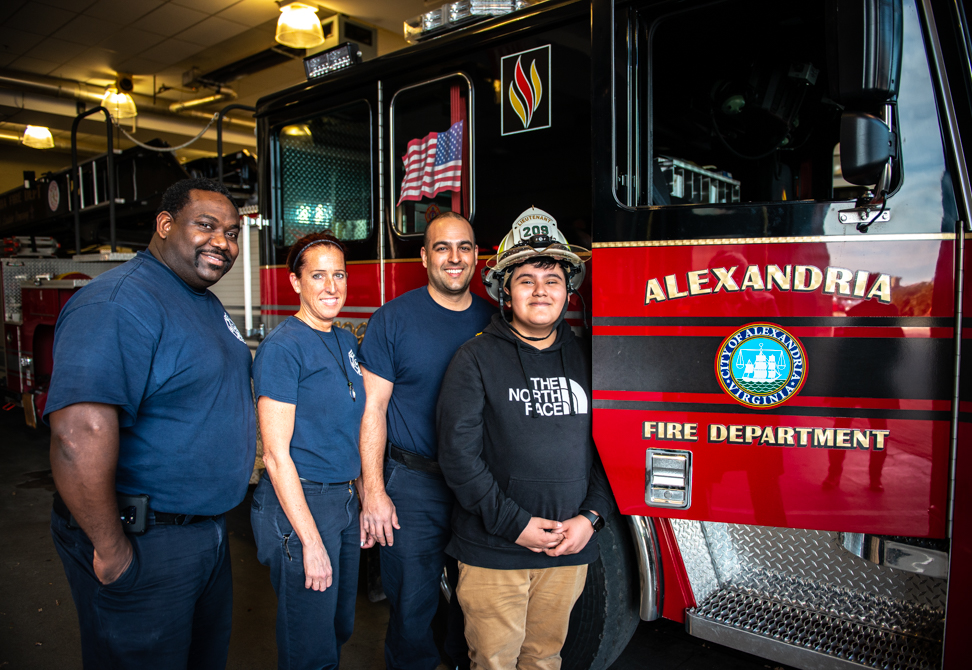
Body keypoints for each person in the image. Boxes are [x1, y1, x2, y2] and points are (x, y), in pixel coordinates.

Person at [46, 178, 256, 669]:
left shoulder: (199, 299)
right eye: (206, 226)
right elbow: (77, 435)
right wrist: (111, 550)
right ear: (165, 226)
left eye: (232, 232)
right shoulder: (120, 301)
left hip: (203, 534)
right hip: (145, 542)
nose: (223, 243)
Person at [436, 207, 614, 670]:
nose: (541, 290)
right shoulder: (473, 359)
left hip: (568, 551)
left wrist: (590, 519)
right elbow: (459, 458)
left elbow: (610, 452)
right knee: (494, 662)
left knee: (544, 659)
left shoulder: (590, 361)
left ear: (569, 292)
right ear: (505, 293)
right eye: (527, 279)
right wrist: (515, 524)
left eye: (553, 279)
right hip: (494, 552)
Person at [357, 211, 494, 670]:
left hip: (476, 487)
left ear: (477, 256)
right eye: (442, 247)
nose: (454, 258)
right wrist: (373, 492)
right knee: (412, 607)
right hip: (412, 486)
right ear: (424, 256)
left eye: (464, 247)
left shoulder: (496, 322)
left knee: (474, 604)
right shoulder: (392, 321)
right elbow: (372, 410)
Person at [250, 232, 366, 670]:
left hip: (342, 501)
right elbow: (277, 456)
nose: (331, 286)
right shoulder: (283, 348)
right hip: (299, 503)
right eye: (318, 275)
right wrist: (310, 541)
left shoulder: (344, 341)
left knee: (338, 627)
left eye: (339, 274)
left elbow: (347, 428)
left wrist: (360, 498)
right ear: (296, 283)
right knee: (310, 646)